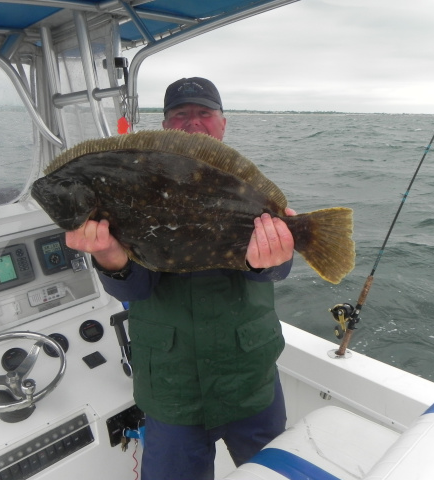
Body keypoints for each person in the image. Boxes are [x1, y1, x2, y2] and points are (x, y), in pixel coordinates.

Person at [65, 77, 295, 480]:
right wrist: (110, 258)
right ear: (166, 126)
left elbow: (277, 270)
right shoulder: (138, 189)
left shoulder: (247, 189)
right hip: (173, 390)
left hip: (250, 381)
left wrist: (268, 261)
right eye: (180, 115)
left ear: (223, 123)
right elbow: (135, 289)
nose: (193, 124)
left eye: (204, 114)